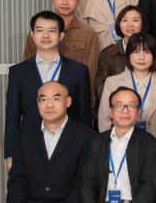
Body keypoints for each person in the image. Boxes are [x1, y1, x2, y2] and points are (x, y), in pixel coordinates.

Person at [5, 11, 92, 170]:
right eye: (39, 30)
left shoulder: (79, 71)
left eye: (51, 30)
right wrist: (11, 153)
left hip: (69, 146)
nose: (45, 35)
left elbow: (84, 114)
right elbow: (12, 117)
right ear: (32, 35)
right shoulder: (18, 72)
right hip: (30, 145)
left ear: (61, 36)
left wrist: (88, 151)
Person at [23, 0, 101, 95]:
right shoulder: (38, 31)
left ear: (78, 1)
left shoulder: (88, 34)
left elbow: (91, 73)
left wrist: (86, 103)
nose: (65, 2)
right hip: (40, 97)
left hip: (72, 97)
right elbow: (27, 68)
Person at [98, 33, 156, 139]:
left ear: (154, 56)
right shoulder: (112, 82)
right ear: (129, 55)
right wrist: (109, 143)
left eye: (147, 52)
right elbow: (104, 119)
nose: (141, 57)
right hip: (119, 142)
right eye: (136, 52)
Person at [95, 5, 144, 103]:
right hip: (116, 106)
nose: (130, 25)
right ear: (119, 24)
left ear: (142, 24)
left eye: (135, 20)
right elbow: (100, 86)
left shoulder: (151, 51)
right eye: (125, 20)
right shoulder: (107, 53)